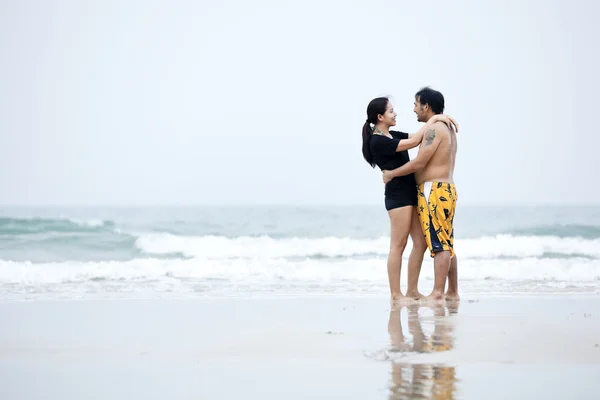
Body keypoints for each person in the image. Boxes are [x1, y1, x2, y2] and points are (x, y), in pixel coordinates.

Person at [361, 96, 458, 305]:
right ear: (380, 116)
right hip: (398, 197)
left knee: (421, 243)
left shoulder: (392, 134)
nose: (395, 113)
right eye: (391, 111)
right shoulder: (378, 141)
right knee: (398, 245)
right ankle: (396, 295)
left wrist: (440, 117)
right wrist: (435, 119)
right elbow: (414, 142)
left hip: (411, 194)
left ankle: (412, 291)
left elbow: (418, 136)